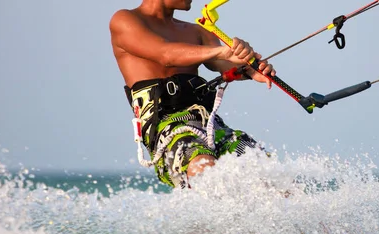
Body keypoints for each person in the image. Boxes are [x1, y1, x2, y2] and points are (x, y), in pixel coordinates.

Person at [110, 0, 276, 188]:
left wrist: (251, 69)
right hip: (166, 129)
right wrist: (223, 52)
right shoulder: (124, 20)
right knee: (204, 168)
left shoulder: (197, 32)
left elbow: (224, 64)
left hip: (209, 124)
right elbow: (166, 55)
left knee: (263, 169)